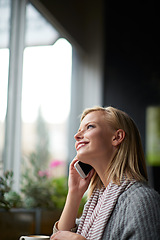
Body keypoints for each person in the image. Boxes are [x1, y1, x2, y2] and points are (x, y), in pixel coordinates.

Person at [50, 106, 160, 240]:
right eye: (79, 130)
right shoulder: (96, 204)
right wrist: (74, 193)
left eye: (89, 127)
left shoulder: (141, 200)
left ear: (117, 137)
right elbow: (59, 236)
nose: (77, 136)